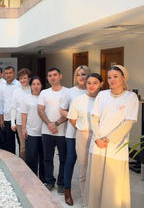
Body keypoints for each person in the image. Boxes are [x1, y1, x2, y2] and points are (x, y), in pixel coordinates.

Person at [87, 65, 138, 208]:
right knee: (96, 183)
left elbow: (128, 122)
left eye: (115, 76)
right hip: (97, 145)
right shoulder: (102, 95)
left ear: (123, 78)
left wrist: (108, 140)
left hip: (115, 148)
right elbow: (94, 118)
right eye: (109, 77)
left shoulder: (131, 97)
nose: (112, 80)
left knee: (113, 188)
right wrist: (98, 138)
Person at [67, 73, 103, 207]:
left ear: (101, 84)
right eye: (89, 83)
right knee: (84, 169)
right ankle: (87, 201)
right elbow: (72, 118)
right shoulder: (79, 99)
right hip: (83, 136)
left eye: (95, 83)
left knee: (97, 169)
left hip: (100, 136)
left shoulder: (104, 98)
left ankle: (98, 199)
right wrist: (81, 129)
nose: (91, 86)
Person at [60, 65, 89, 205]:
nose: (81, 77)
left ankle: (88, 191)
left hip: (89, 134)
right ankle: (67, 191)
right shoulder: (70, 92)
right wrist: (75, 121)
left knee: (87, 164)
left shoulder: (95, 91)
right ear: (75, 77)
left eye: (84, 74)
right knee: (70, 160)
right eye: (78, 75)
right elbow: (62, 110)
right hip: (72, 133)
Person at [37, 67, 68, 193]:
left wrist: (55, 124)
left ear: (60, 76)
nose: (52, 77)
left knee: (63, 159)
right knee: (47, 158)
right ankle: (50, 181)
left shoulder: (68, 92)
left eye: (55, 75)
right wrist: (49, 124)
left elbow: (70, 111)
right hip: (46, 131)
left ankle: (61, 183)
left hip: (63, 132)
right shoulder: (44, 93)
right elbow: (40, 109)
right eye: (50, 75)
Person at [21, 76, 44, 183]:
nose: (36, 86)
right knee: (31, 157)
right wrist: (24, 128)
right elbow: (24, 114)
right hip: (31, 131)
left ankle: (43, 178)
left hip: (44, 131)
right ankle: (32, 178)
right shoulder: (26, 98)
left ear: (41, 86)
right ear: (30, 86)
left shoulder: (44, 97)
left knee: (43, 157)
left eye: (38, 84)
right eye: (33, 84)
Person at [11, 68, 31, 160]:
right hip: (19, 122)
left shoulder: (33, 89)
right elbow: (13, 108)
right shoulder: (16, 92)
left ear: (29, 79)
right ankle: (23, 166)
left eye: (25, 78)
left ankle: (32, 166)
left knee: (32, 145)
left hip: (32, 122)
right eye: (21, 78)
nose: (22, 80)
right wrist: (12, 122)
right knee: (22, 146)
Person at [0, 66, 20, 153]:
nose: (8, 75)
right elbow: (1, 102)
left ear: (14, 73)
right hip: (7, 117)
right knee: (9, 142)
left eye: (10, 73)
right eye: (6, 73)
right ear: (4, 74)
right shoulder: (3, 86)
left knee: (21, 141)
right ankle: (12, 161)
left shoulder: (19, 85)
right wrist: (1, 117)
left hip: (18, 117)